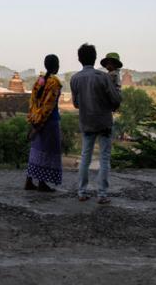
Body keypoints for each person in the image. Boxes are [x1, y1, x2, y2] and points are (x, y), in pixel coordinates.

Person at [71, 44, 121, 204]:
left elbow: (76, 104)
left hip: (87, 121)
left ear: (79, 59)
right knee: (104, 158)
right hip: (104, 121)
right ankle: (102, 194)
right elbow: (116, 99)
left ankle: (81, 191)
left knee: (85, 156)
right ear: (95, 58)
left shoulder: (75, 78)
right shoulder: (103, 77)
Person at [25, 54, 63, 192]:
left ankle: (29, 181)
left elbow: (33, 101)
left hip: (36, 119)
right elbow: (49, 106)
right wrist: (40, 124)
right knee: (47, 152)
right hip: (49, 122)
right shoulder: (55, 83)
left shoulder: (40, 80)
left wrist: (33, 121)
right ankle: (42, 183)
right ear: (56, 66)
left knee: (36, 151)